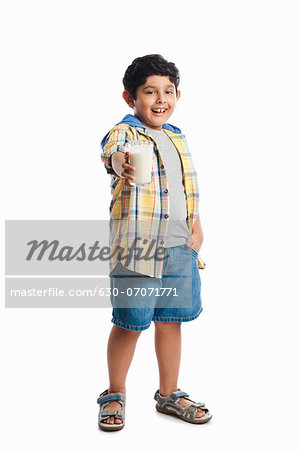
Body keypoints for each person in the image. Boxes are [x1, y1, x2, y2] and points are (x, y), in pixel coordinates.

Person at [97, 54, 212, 431]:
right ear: (130, 98)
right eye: (149, 92)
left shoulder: (177, 135)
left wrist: (196, 226)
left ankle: (168, 394)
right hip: (138, 244)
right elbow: (111, 152)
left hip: (180, 244)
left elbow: (181, 188)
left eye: (168, 91)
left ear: (178, 94)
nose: (160, 99)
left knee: (171, 320)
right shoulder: (125, 133)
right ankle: (114, 393)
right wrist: (119, 162)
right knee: (130, 323)